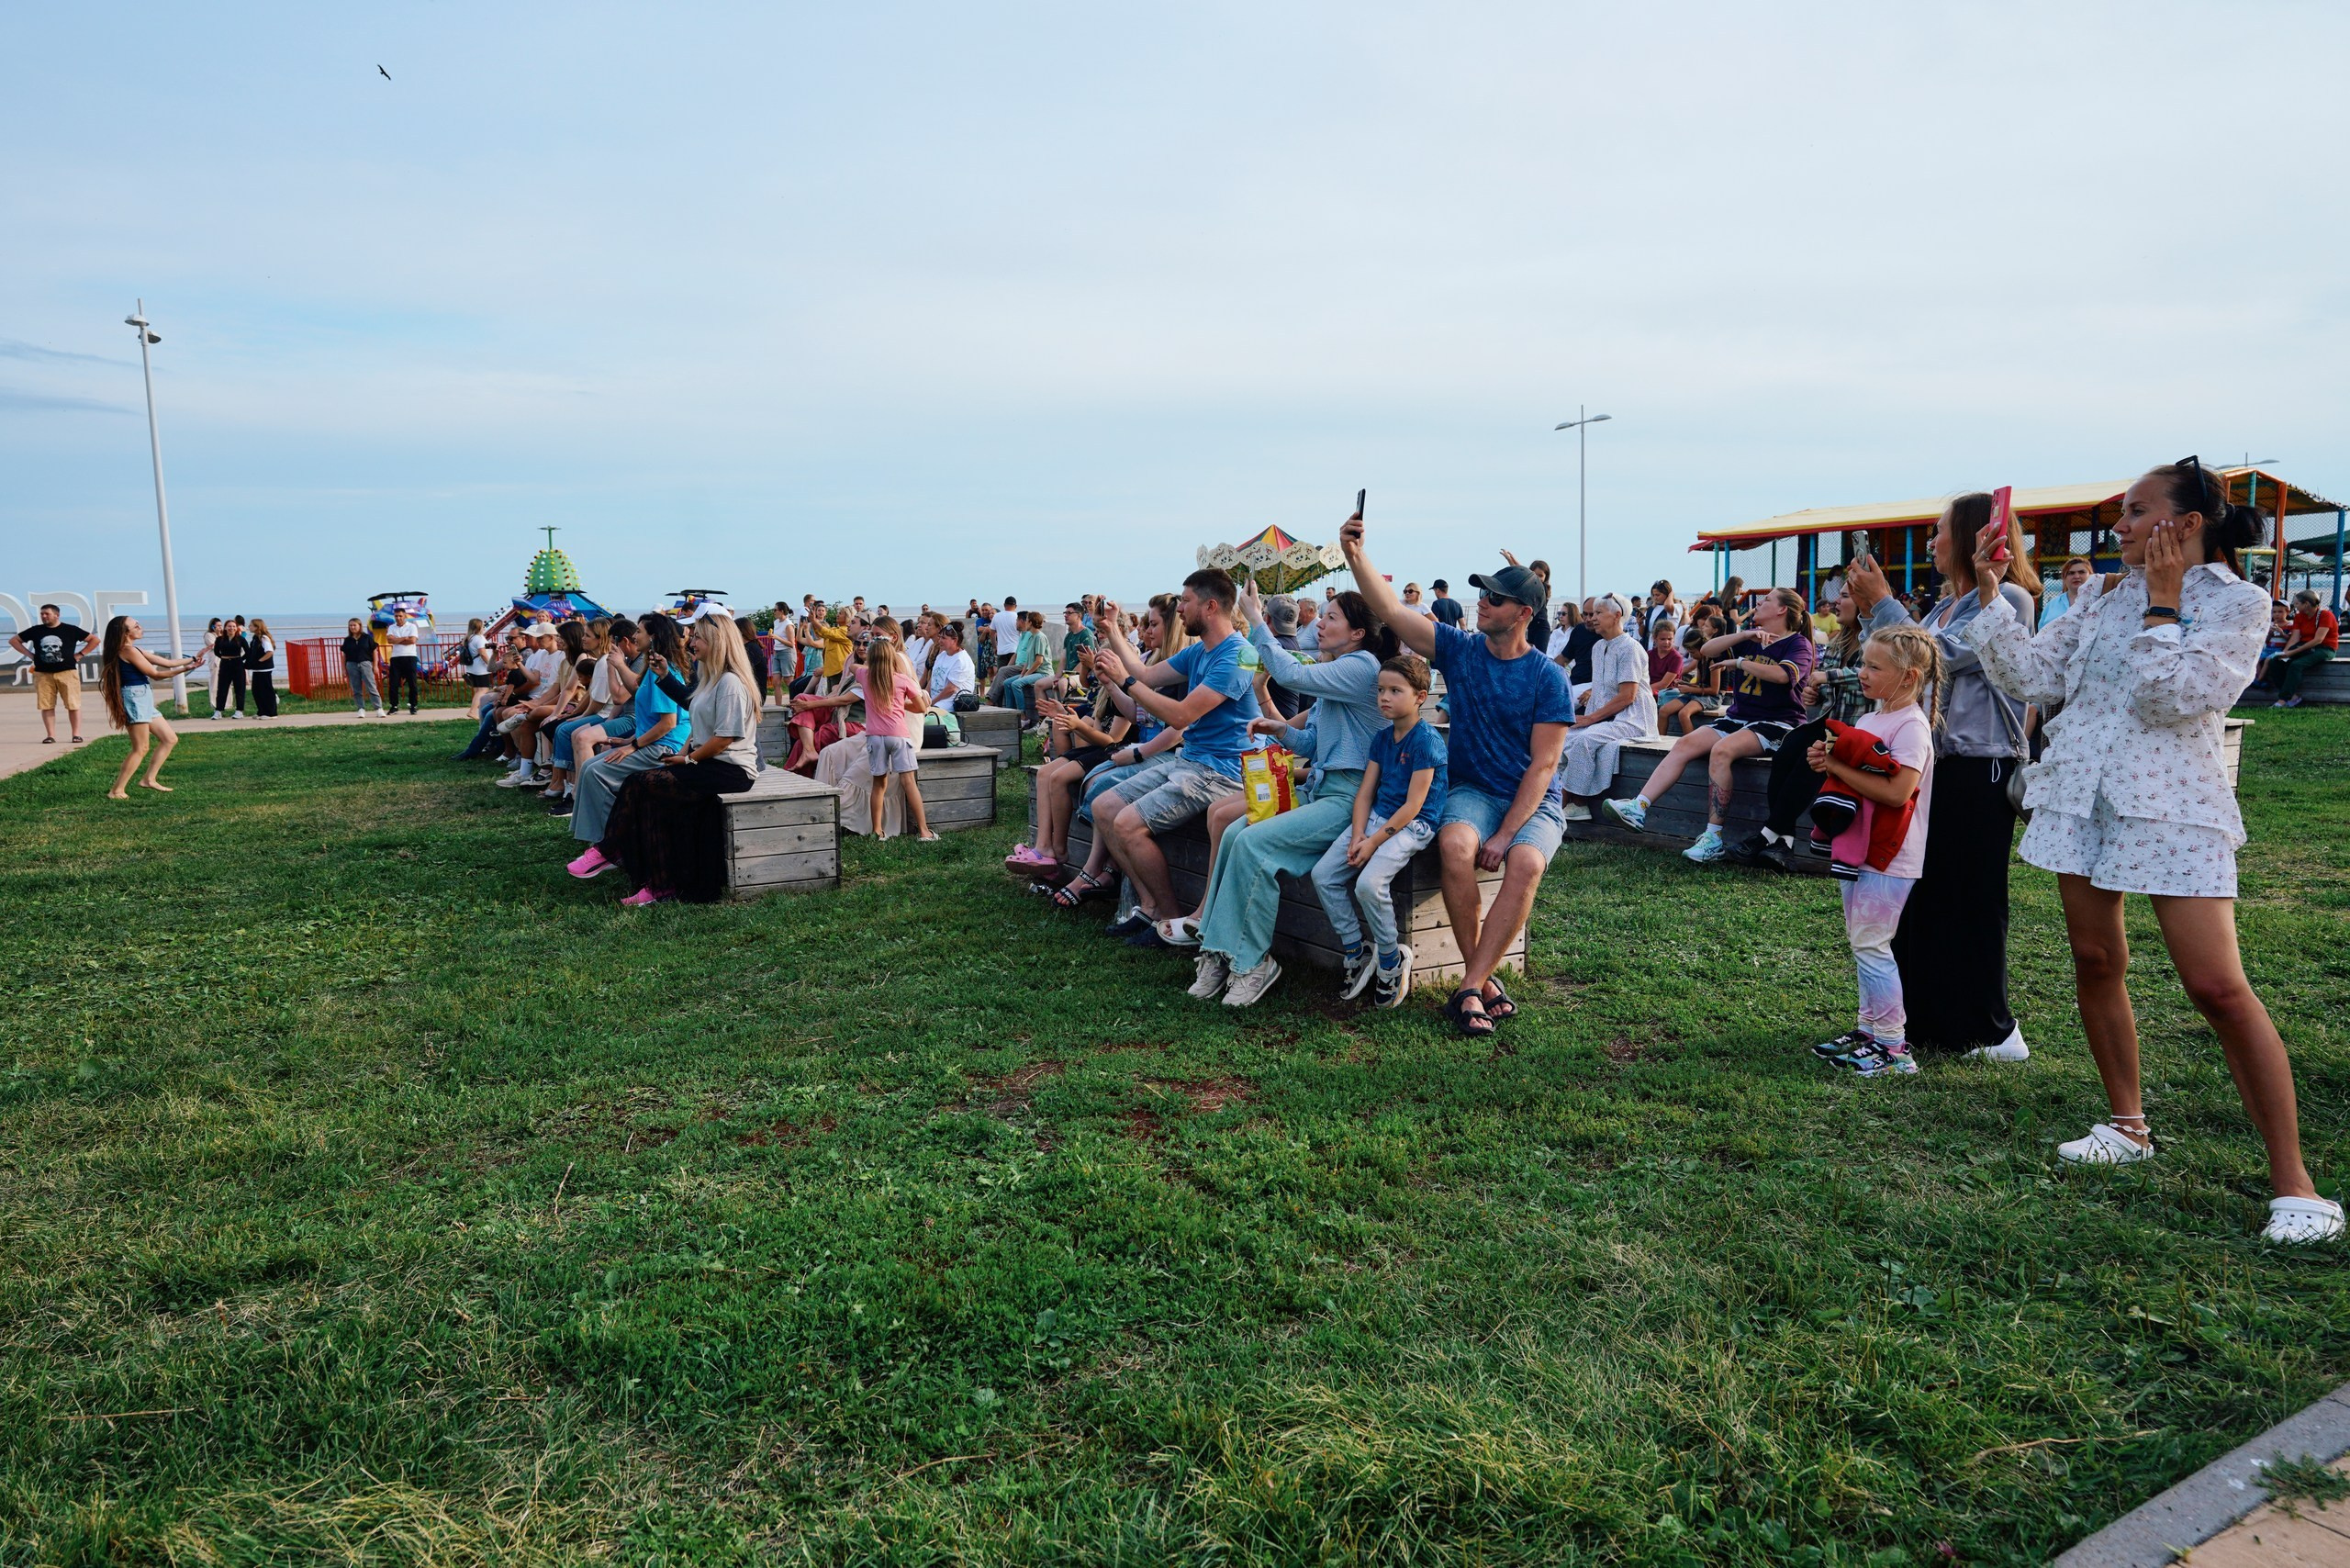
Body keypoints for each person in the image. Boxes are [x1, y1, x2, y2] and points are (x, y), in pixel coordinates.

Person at [1963, 459, 2340, 1244]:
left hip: (2174, 807)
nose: (2120, 527)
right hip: (2083, 796)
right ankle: (2126, 1126)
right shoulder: (2101, 595)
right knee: (2095, 960)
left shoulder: (2239, 602)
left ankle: (2296, 1184)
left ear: (2187, 522)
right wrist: (1995, 591)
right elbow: (2029, 674)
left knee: (2217, 988)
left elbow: (2174, 698)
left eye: (2136, 512)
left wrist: (2165, 607)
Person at [1341, 513, 1572, 1037]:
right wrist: (1356, 556)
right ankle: (1479, 985)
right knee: (1457, 845)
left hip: (1532, 800)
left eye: (1494, 597)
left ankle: (1470, 984)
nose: (1482, 603)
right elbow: (1392, 611)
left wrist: (1510, 833)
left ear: (1523, 614)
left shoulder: (1548, 677)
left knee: (1526, 863)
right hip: (1473, 790)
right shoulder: (1462, 650)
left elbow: (1544, 765)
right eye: (1482, 595)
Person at [1847, 492, 2039, 1062]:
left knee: (1972, 898)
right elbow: (1898, 666)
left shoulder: (2008, 599)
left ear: (1975, 535)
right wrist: (1869, 610)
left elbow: (1935, 659)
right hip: (1937, 766)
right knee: (1925, 900)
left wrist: (1883, 602)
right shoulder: (1942, 606)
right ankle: (1930, 1020)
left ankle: (1994, 1031)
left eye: (1938, 531)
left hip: (1979, 769)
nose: (1931, 542)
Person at [1187, 583, 1394, 1003]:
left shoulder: (1362, 667)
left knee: (1255, 844)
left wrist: (1255, 615)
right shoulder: (1338, 673)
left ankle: (1253, 963)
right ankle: (1216, 950)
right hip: (1323, 791)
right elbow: (1313, 742)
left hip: (1351, 799)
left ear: (1357, 632)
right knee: (1233, 834)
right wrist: (1281, 730)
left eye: (1331, 617)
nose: (1319, 623)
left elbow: (1290, 673)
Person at [1085, 570, 1262, 937]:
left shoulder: (1240, 655)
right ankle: (1152, 909)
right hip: (1192, 761)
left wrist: (1126, 681)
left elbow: (1180, 715)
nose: (1179, 609)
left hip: (1223, 770)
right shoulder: (1200, 650)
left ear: (1210, 606)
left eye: (1185, 601)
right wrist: (1113, 629)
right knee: (1104, 807)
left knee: (1127, 824)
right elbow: (1146, 677)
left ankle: (1169, 919)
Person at [1806, 625, 1941, 1077]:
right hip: (1857, 848)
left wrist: (1839, 763)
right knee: (1862, 942)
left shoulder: (1912, 726)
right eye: (1863, 662)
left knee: (1872, 944)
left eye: (1872, 666)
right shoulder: (1870, 719)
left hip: (1890, 854)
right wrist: (1826, 763)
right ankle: (1868, 1031)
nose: (1860, 672)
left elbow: (1899, 792)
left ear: (1908, 677)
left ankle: (1894, 1047)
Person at [1602, 587, 1816, 862]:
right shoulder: (1752, 638)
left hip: (1778, 723)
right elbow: (1706, 648)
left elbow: (1782, 676)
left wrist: (1740, 662)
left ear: (1782, 610)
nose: (1759, 604)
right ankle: (1638, 807)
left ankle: (1712, 838)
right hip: (1739, 718)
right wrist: (1745, 634)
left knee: (1723, 750)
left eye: (1766, 601)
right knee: (1686, 743)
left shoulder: (1798, 644)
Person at [588, 612, 767, 903]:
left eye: (697, 637)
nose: (691, 642)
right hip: (711, 764)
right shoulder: (711, 678)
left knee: (639, 783)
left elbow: (724, 739)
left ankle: (613, 850)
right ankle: (658, 881)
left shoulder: (732, 683)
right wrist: (665, 677)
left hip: (731, 771)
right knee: (652, 798)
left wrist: (689, 760)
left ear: (716, 642)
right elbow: (691, 704)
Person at [1726, 582, 1907, 870]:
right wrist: (1817, 692)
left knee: (1813, 757)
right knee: (1787, 751)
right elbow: (1828, 687)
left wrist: (1827, 679)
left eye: (1844, 597)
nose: (1835, 603)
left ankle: (1768, 835)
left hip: (1864, 729)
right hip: (1833, 723)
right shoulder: (1839, 641)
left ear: (1863, 602)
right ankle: (1783, 844)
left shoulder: (1880, 640)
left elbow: (1869, 677)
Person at [1308, 654, 1448, 1008]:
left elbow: (1413, 806)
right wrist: (1358, 835)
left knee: (1370, 884)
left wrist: (1372, 842)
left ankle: (1390, 960)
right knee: (1323, 874)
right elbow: (1365, 793)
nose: (1384, 697)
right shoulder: (1381, 738)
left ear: (1420, 697)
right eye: (1381, 690)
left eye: (1395, 690)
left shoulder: (1427, 741)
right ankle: (1357, 951)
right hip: (1377, 818)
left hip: (1413, 825)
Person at [1557, 595, 1659, 819]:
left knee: (1585, 739)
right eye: (1591, 614)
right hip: (1607, 717)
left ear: (1617, 616)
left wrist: (1590, 719)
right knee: (1563, 738)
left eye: (1598, 613)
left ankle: (1576, 803)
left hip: (1633, 719)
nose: (1592, 618)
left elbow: (1627, 697)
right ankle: (1564, 805)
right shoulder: (1599, 647)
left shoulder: (1630, 649)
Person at [98, 615, 197, 798]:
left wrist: (193, 659)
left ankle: (148, 780)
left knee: (169, 739)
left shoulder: (134, 649)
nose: (140, 628)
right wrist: (185, 669)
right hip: (135, 698)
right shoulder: (128, 651)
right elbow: (155, 674)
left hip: (142, 697)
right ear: (125, 632)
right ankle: (116, 790)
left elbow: (166, 663)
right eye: (136, 626)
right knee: (141, 748)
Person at [11, 603, 89, 744]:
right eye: (42, 614)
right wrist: (30, 655)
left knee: (73, 704)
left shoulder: (70, 630)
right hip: (43, 674)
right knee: (46, 705)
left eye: (46, 613)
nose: (43, 616)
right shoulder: (36, 631)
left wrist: (80, 654)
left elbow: (94, 640)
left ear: (56, 615)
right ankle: (50, 735)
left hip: (67, 672)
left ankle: (76, 734)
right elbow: (14, 640)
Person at [2266, 588, 2337, 707]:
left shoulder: (2326, 615)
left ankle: (2282, 701)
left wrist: (2293, 652)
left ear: (2306, 604)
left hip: (2324, 648)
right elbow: (2295, 638)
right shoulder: (2299, 617)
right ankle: (2293, 697)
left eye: (2297, 603)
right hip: (2304, 646)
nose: (2295, 606)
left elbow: (2318, 640)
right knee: (2275, 662)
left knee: (2296, 665)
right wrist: (2286, 652)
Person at [927, 620, 978, 711]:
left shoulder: (961, 660)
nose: (940, 641)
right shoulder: (942, 656)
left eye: (943, 638)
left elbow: (951, 689)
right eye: (940, 637)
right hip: (936, 701)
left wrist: (932, 703)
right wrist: (924, 697)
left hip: (951, 703)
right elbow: (933, 679)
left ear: (955, 640)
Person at [341, 617, 386, 716]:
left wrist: (375, 666)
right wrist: (343, 669)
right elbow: (344, 655)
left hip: (365, 663)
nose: (353, 627)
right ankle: (361, 708)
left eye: (354, 625)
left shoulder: (367, 638)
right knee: (356, 688)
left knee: (371, 686)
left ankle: (379, 708)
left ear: (359, 626)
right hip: (351, 664)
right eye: (351, 625)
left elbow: (374, 651)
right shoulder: (347, 640)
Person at [384, 605, 423, 714]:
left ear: (405, 616)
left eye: (400, 616)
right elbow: (390, 640)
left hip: (410, 656)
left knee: (412, 683)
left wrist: (398, 640)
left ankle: (413, 705)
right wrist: (404, 638)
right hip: (396, 657)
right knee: (394, 683)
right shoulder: (392, 627)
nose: (398, 618)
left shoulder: (412, 627)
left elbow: (412, 640)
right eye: (396, 616)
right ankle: (394, 705)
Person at [210, 616, 249, 719]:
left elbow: (248, 652)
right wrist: (225, 658)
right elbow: (216, 652)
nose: (232, 628)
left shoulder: (241, 639)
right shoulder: (219, 639)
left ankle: (239, 711)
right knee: (222, 688)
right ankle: (218, 711)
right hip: (225, 665)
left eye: (234, 626)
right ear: (225, 628)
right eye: (229, 626)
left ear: (237, 628)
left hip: (238, 665)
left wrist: (241, 660)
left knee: (239, 688)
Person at [2041, 555, 2094, 629]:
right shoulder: (2052, 604)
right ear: (2064, 577)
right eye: (2071, 573)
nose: (2076, 576)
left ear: (2091, 575)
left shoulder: (2098, 601)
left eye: (2081, 572)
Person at [245, 618, 280, 718]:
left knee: (266, 691)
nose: (249, 627)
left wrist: (259, 661)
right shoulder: (256, 638)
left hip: (264, 669)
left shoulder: (264, 638)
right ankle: (262, 711)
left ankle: (271, 713)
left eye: (251, 625)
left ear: (257, 627)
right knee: (256, 691)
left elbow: (269, 652)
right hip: (257, 669)